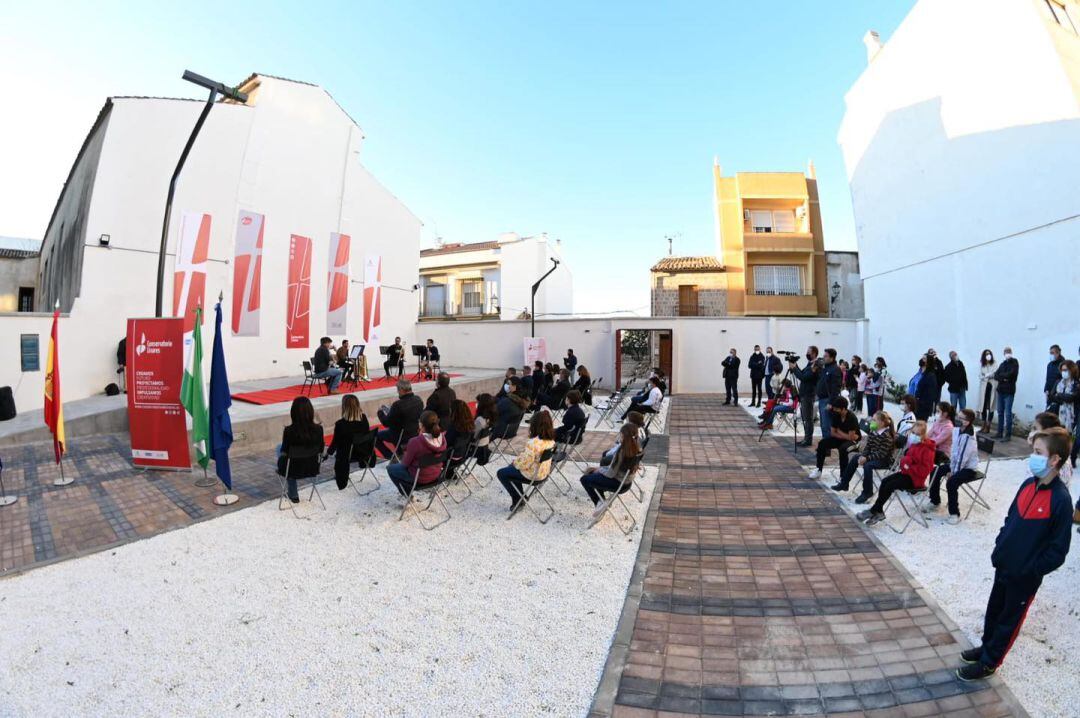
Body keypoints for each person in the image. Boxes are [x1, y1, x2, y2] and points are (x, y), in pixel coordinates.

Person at [956, 427, 1073, 682]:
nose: (1033, 456)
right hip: (1004, 565)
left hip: (1024, 577)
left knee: (1009, 620)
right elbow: (1010, 519)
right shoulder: (1027, 485)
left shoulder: (1061, 501)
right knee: (994, 610)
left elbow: (1058, 551)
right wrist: (1000, 547)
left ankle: (990, 661)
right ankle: (985, 647)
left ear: (1054, 459)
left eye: (1038, 452)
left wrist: (1030, 569)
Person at [856, 420, 937, 526]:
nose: (914, 436)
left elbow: (925, 470)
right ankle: (878, 510)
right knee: (885, 481)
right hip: (906, 473)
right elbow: (906, 460)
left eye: (918, 434)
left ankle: (874, 510)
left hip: (916, 480)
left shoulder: (927, 449)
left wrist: (909, 466)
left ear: (923, 435)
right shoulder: (914, 444)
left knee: (890, 485)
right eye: (913, 433)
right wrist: (906, 464)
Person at [496, 410, 556, 511]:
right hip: (543, 473)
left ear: (534, 425)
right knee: (512, 469)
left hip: (532, 475)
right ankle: (521, 496)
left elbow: (524, 464)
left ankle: (517, 499)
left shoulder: (533, 443)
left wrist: (514, 463)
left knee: (502, 473)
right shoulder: (551, 441)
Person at [832, 410, 895, 502]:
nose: (871, 422)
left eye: (874, 420)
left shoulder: (886, 436)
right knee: (855, 458)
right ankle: (844, 483)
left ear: (881, 423)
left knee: (867, 465)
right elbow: (868, 447)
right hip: (872, 457)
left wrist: (867, 458)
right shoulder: (874, 432)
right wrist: (863, 456)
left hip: (884, 460)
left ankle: (867, 492)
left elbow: (882, 454)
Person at [927, 408, 979, 519]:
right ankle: (935, 501)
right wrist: (951, 466)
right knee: (935, 471)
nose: (957, 419)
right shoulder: (957, 429)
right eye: (957, 416)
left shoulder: (969, 436)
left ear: (967, 421)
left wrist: (953, 472)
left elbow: (963, 457)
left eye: (961, 418)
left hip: (968, 468)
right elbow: (955, 451)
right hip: (955, 463)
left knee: (951, 482)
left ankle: (954, 513)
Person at [580, 423, 642, 511]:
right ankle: (601, 499)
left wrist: (599, 470)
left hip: (617, 483)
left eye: (621, 435)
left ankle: (600, 502)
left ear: (624, 436)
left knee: (584, 479)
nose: (620, 437)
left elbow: (610, 474)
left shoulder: (622, 451)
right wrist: (600, 470)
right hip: (626, 482)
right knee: (593, 474)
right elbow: (614, 469)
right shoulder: (637, 448)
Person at [385, 411, 447, 496]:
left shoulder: (415, 442)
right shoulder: (443, 438)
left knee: (390, 468)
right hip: (436, 475)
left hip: (419, 478)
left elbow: (405, 464)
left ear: (421, 425)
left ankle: (407, 494)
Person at [276, 397, 324, 502]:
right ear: (311, 411)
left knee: (280, 450)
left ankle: (293, 494)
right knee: (292, 457)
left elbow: (284, 450)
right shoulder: (319, 429)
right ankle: (293, 493)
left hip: (293, 469)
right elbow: (321, 449)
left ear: (293, 412)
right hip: (312, 468)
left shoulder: (289, 431)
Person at [326, 394, 373, 490]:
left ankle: (342, 482)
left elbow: (335, 443)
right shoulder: (363, 418)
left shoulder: (340, 424)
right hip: (364, 452)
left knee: (340, 454)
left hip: (348, 455)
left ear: (344, 407)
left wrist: (327, 453)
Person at [808, 397, 860, 480]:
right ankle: (818, 469)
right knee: (822, 443)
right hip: (841, 439)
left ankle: (843, 476)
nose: (835, 410)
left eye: (837, 409)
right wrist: (843, 435)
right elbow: (833, 433)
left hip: (853, 442)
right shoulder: (836, 415)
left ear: (843, 409)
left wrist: (838, 431)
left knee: (843, 449)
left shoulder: (852, 418)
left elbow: (851, 438)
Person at [375, 379, 424, 458]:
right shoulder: (418, 400)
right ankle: (398, 454)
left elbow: (386, 423)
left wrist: (380, 412)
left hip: (400, 436)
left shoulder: (397, 405)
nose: (398, 392)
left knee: (375, 436)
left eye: (398, 390)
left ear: (402, 390)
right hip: (414, 433)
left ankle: (391, 457)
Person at [794, 347, 820, 446]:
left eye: (808, 352)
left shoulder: (816, 365)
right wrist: (795, 366)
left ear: (813, 353)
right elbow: (802, 373)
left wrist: (794, 369)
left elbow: (804, 377)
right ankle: (806, 438)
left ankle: (808, 440)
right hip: (804, 394)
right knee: (806, 418)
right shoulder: (810, 364)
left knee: (808, 419)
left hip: (808, 394)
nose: (806, 354)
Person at [993, 347, 1019, 441]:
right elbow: (996, 375)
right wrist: (1004, 378)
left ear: (1011, 353)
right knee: (1000, 412)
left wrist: (1002, 376)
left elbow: (1012, 374)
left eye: (1009, 352)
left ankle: (1008, 435)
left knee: (1008, 414)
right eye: (1006, 352)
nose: (1007, 353)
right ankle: (999, 432)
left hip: (1009, 391)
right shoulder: (1002, 364)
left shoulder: (1014, 363)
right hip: (1001, 391)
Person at [816, 348, 843, 439]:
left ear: (832, 358)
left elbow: (836, 388)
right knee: (823, 425)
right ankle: (825, 447)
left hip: (827, 400)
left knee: (827, 426)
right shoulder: (825, 368)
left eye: (826, 356)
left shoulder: (835, 369)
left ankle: (827, 449)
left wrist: (831, 403)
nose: (824, 358)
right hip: (822, 399)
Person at [443, 399, 475, 473]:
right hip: (463, 455)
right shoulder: (469, 426)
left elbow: (446, 444)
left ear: (454, 412)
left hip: (450, 459)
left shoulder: (454, 428)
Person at [1049, 360, 1078, 440]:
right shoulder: (1058, 382)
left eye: (1065, 370)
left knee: (1067, 437)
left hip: (1070, 415)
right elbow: (1051, 396)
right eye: (1062, 370)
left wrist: (1058, 395)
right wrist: (1061, 398)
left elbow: (1071, 398)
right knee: (1055, 436)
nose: (1063, 372)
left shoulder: (1076, 384)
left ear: (1071, 370)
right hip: (1057, 412)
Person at [472, 392, 497, 465]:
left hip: (476, 448)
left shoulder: (480, 420)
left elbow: (473, 436)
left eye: (478, 403)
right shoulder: (492, 417)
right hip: (485, 445)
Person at [978, 349, 998, 433]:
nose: (988, 355)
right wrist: (985, 376)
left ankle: (988, 426)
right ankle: (983, 424)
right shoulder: (982, 364)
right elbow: (980, 375)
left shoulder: (994, 363)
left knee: (991, 406)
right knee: (983, 406)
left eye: (989, 353)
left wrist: (987, 375)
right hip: (984, 387)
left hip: (992, 386)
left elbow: (995, 373)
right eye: (986, 354)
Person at [1044, 345, 1064, 410]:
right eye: (1050, 353)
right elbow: (1047, 379)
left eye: (1052, 353)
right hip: (1049, 394)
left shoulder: (1063, 364)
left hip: (1058, 396)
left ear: (1058, 353)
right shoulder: (1049, 365)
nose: (1051, 355)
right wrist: (1046, 390)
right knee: (1048, 415)